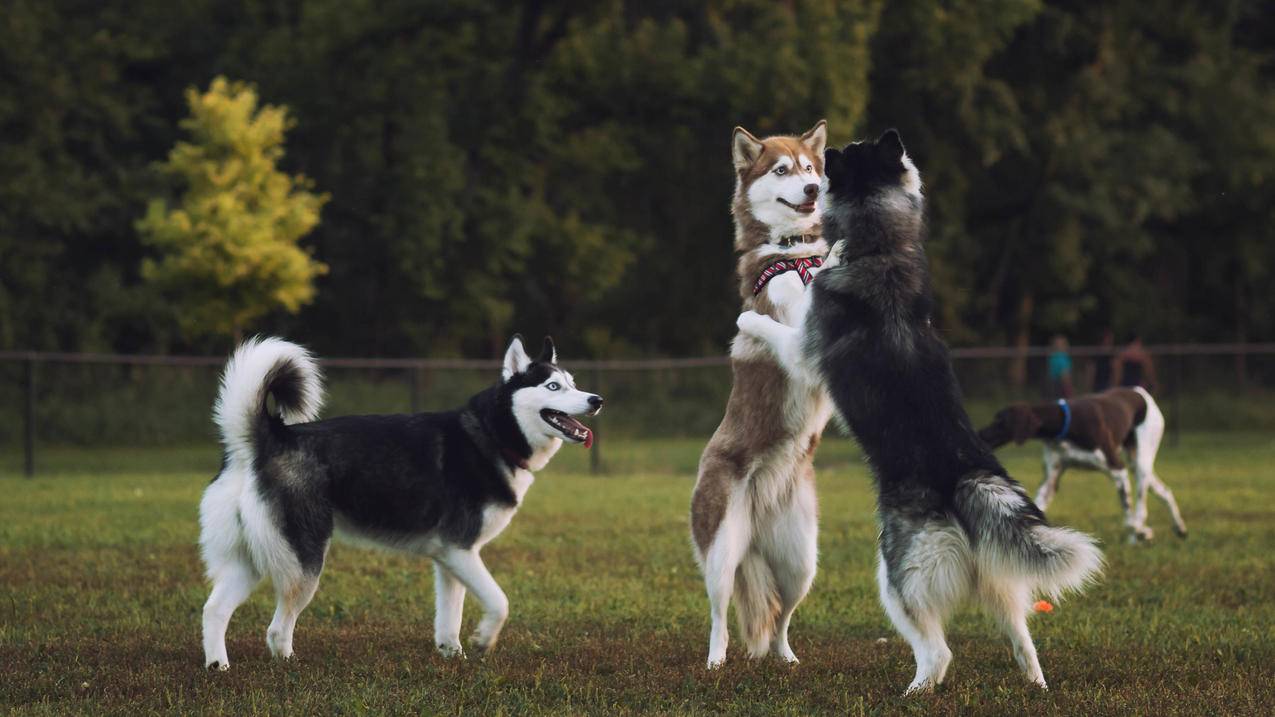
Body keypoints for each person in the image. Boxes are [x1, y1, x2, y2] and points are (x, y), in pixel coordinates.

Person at [1046, 334, 1074, 399]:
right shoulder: (1062, 357)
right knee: (1064, 406)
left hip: (1053, 384)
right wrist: (1068, 388)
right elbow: (1064, 374)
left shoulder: (1052, 357)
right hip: (1060, 384)